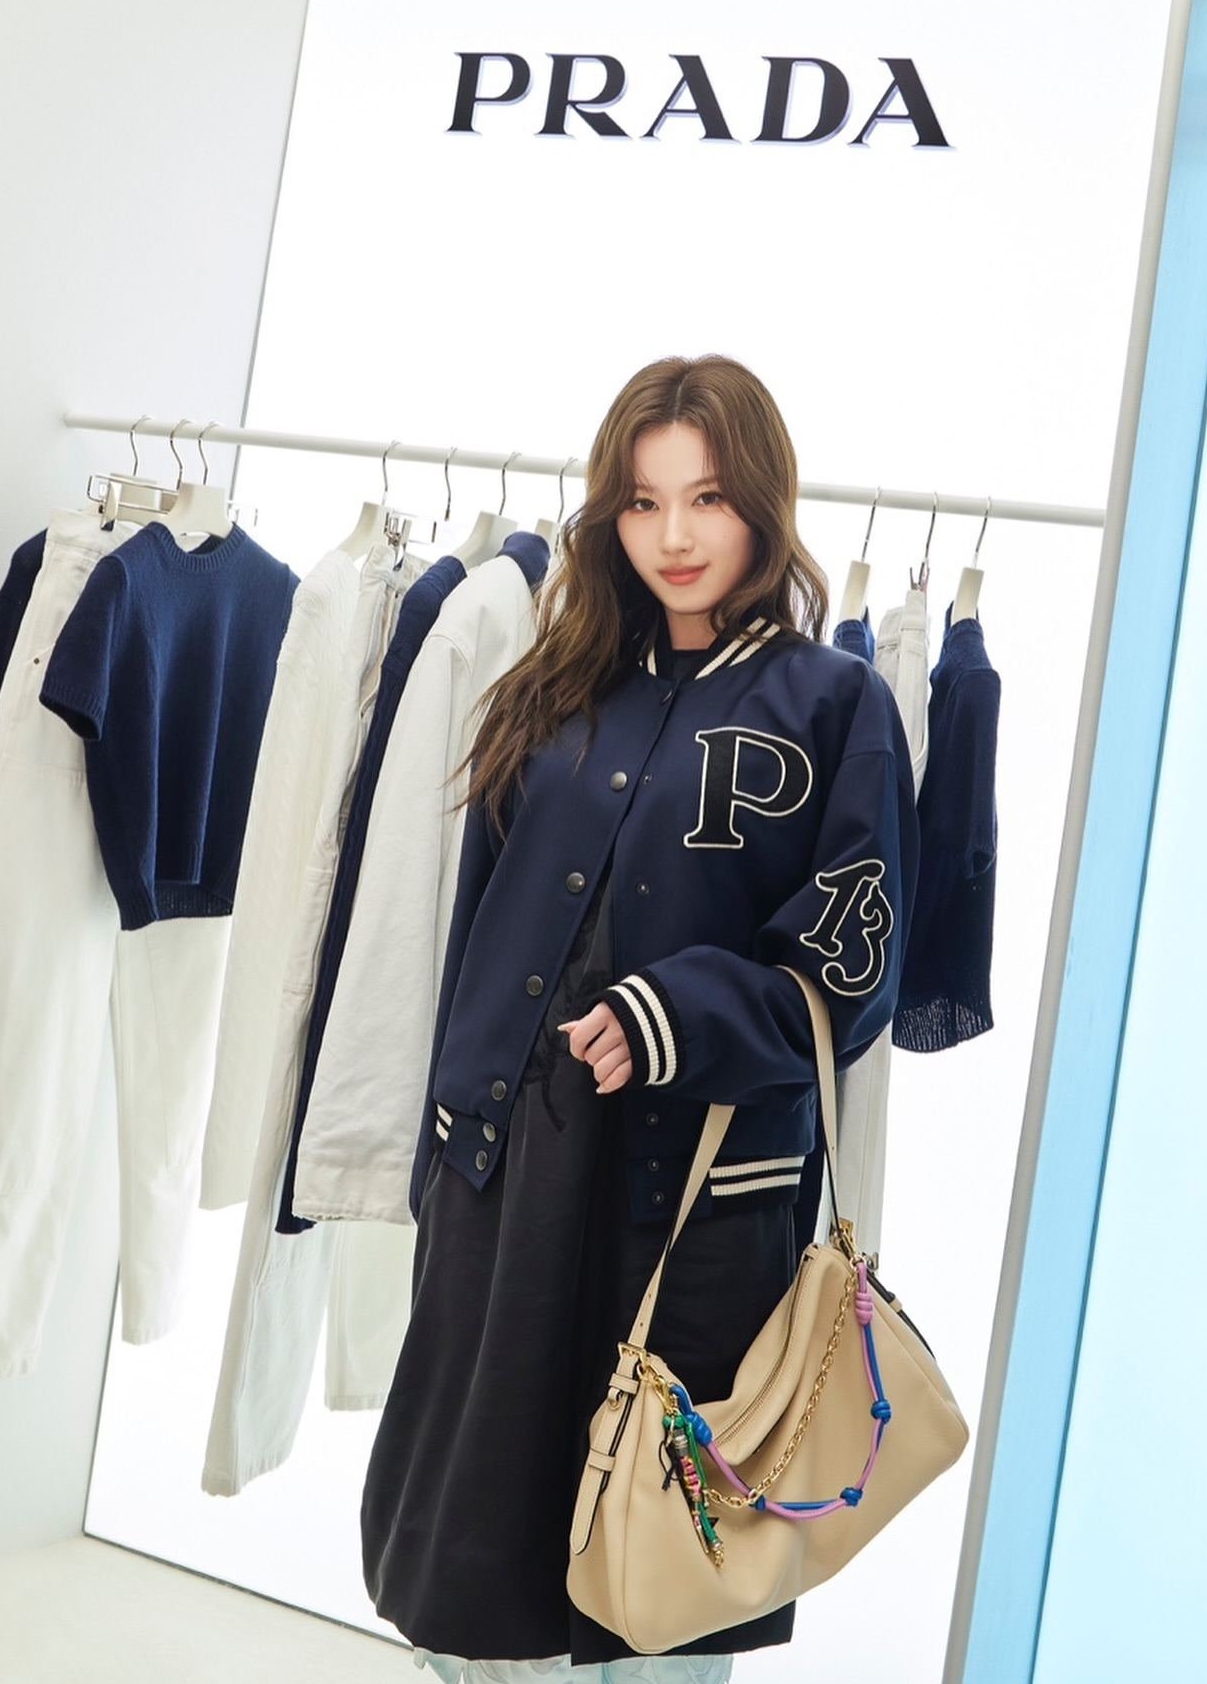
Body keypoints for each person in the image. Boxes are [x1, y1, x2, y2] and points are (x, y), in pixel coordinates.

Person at [361, 355, 919, 1684]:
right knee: (474, 1579)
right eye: (644, 500)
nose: (674, 535)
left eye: (708, 498)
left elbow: (855, 972)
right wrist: (451, 1146)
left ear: (763, 502)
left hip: (695, 1212)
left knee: (661, 1589)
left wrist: (677, 1008)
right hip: (510, 1192)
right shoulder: (548, 688)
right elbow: (474, 936)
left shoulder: (836, 705)